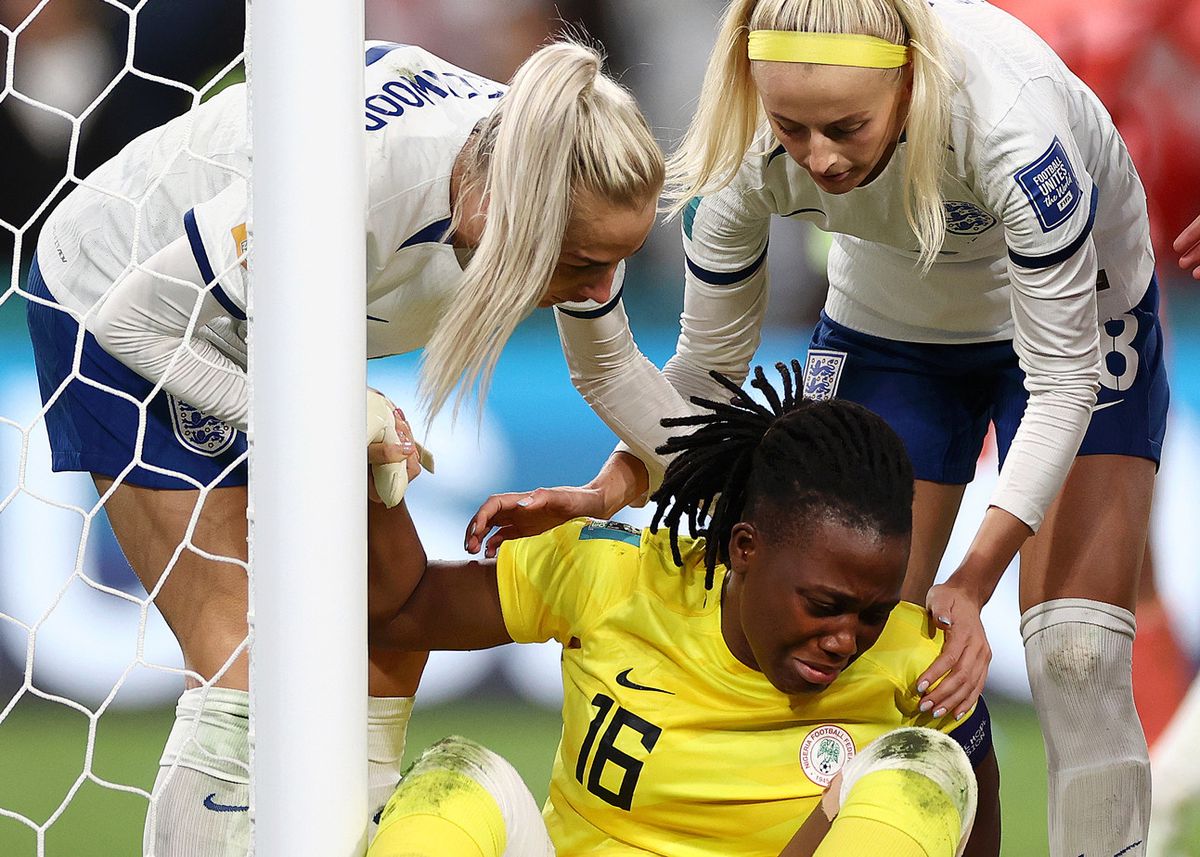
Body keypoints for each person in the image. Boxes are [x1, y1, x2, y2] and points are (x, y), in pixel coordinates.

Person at [467, 2, 1165, 855]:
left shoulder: (1014, 132)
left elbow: (1062, 378)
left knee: (1078, 655)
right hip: (891, 325)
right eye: (792, 129)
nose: (820, 158)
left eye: (846, 127)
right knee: (871, 655)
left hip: (1082, 316)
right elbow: (705, 388)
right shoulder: (738, 155)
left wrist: (974, 583)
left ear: (910, 79)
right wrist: (612, 482)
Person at [23, 36, 663, 855]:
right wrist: (321, 421)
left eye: (622, 259)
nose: (603, 289)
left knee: (387, 623)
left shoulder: (554, 158)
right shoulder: (361, 184)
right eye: (583, 262)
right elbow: (131, 316)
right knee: (243, 657)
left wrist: (726, 480)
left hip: (272, 325)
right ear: (512, 216)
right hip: (118, 305)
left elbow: (615, 374)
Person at [366, 363, 1001, 857]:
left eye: (873, 612)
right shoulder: (618, 576)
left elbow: (971, 814)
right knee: (457, 778)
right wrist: (375, 472)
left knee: (926, 767)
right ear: (744, 548)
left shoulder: (925, 669)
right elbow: (406, 609)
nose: (846, 639)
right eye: (825, 606)